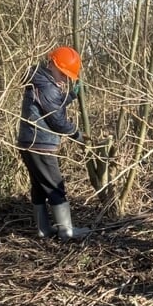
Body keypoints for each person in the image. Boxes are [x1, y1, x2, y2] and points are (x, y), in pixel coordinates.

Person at [16, 46, 90, 241]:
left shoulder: (41, 81)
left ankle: (43, 229)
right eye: (64, 74)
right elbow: (56, 120)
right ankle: (67, 231)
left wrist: (71, 96)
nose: (65, 79)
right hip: (40, 143)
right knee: (55, 187)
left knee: (40, 187)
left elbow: (51, 105)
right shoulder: (47, 86)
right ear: (53, 65)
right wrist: (77, 134)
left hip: (28, 141)